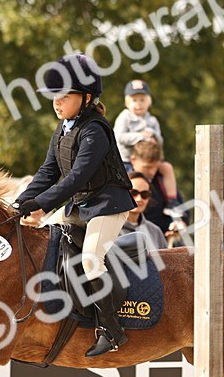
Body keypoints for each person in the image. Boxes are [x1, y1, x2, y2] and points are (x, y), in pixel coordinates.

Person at [14, 53, 135, 357]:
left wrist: (41, 205)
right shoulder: (63, 129)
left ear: (87, 97)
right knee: (50, 249)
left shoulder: (96, 130)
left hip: (108, 205)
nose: (57, 101)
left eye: (65, 95)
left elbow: (78, 177)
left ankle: (112, 330)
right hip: (81, 208)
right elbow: (47, 172)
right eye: (55, 95)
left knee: (92, 260)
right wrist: (19, 203)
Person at [128, 139, 183, 239]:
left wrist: (176, 226)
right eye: (147, 167)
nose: (152, 172)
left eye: (155, 167)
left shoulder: (163, 181)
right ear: (133, 160)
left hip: (160, 238)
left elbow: (179, 208)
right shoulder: (123, 180)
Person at [112, 79, 163, 164]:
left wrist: (152, 134)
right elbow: (119, 138)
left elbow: (160, 141)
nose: (138, 104)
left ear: (149, 102)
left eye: (142, 100)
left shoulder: (152, 120)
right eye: (134, 100)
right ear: (127, 103)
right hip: (126, 161)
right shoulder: (124, 117)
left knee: (165, 167)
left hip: (147, 161)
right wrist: (141, 136)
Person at [122, 172, 169, 250]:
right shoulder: (108, 228)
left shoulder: (155, 231)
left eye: (145, 194)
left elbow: (165, 261)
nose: (139, 199)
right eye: (133, 193)